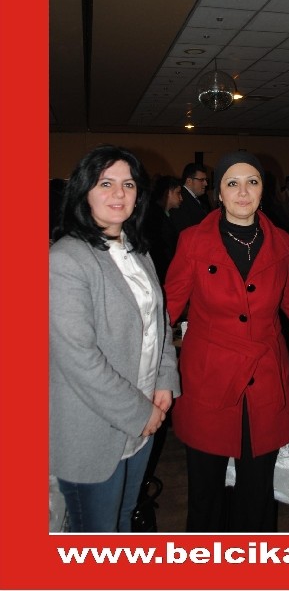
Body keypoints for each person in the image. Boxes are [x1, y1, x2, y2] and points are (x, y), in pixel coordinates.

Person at [164, 151, 289, 532]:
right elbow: (166, 310)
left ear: (263, 190)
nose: (243, 192)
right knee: (205, 494)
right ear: (219, 192)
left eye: (252, 182)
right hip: (209, 382)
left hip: (264, 382)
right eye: (233, 183)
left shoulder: (281, 244)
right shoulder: (192, 242)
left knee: (257, 492)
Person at [49, 145, 180, 533]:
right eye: (106, 183)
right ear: (84, 191)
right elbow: (78, 357)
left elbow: (160, 320)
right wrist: (141, 413)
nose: (119, 194)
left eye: (128, 184)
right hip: (93, 426)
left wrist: (164, 381)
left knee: (124, 520)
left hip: (143, 414)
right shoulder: (66, 259)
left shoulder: (138, 252)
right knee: (97, 535)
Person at [144, 175, 183, 284]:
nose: (181, 198)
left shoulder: (166, 214)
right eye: (178, 193)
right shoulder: (155, 217)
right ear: (168, 192)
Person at [170, 162, 210, 235]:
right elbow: (185, 231)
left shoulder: (197, 198)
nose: (206, 183)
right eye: (201, 180)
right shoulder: (180, 200)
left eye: (206, 180)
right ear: (189, 181)